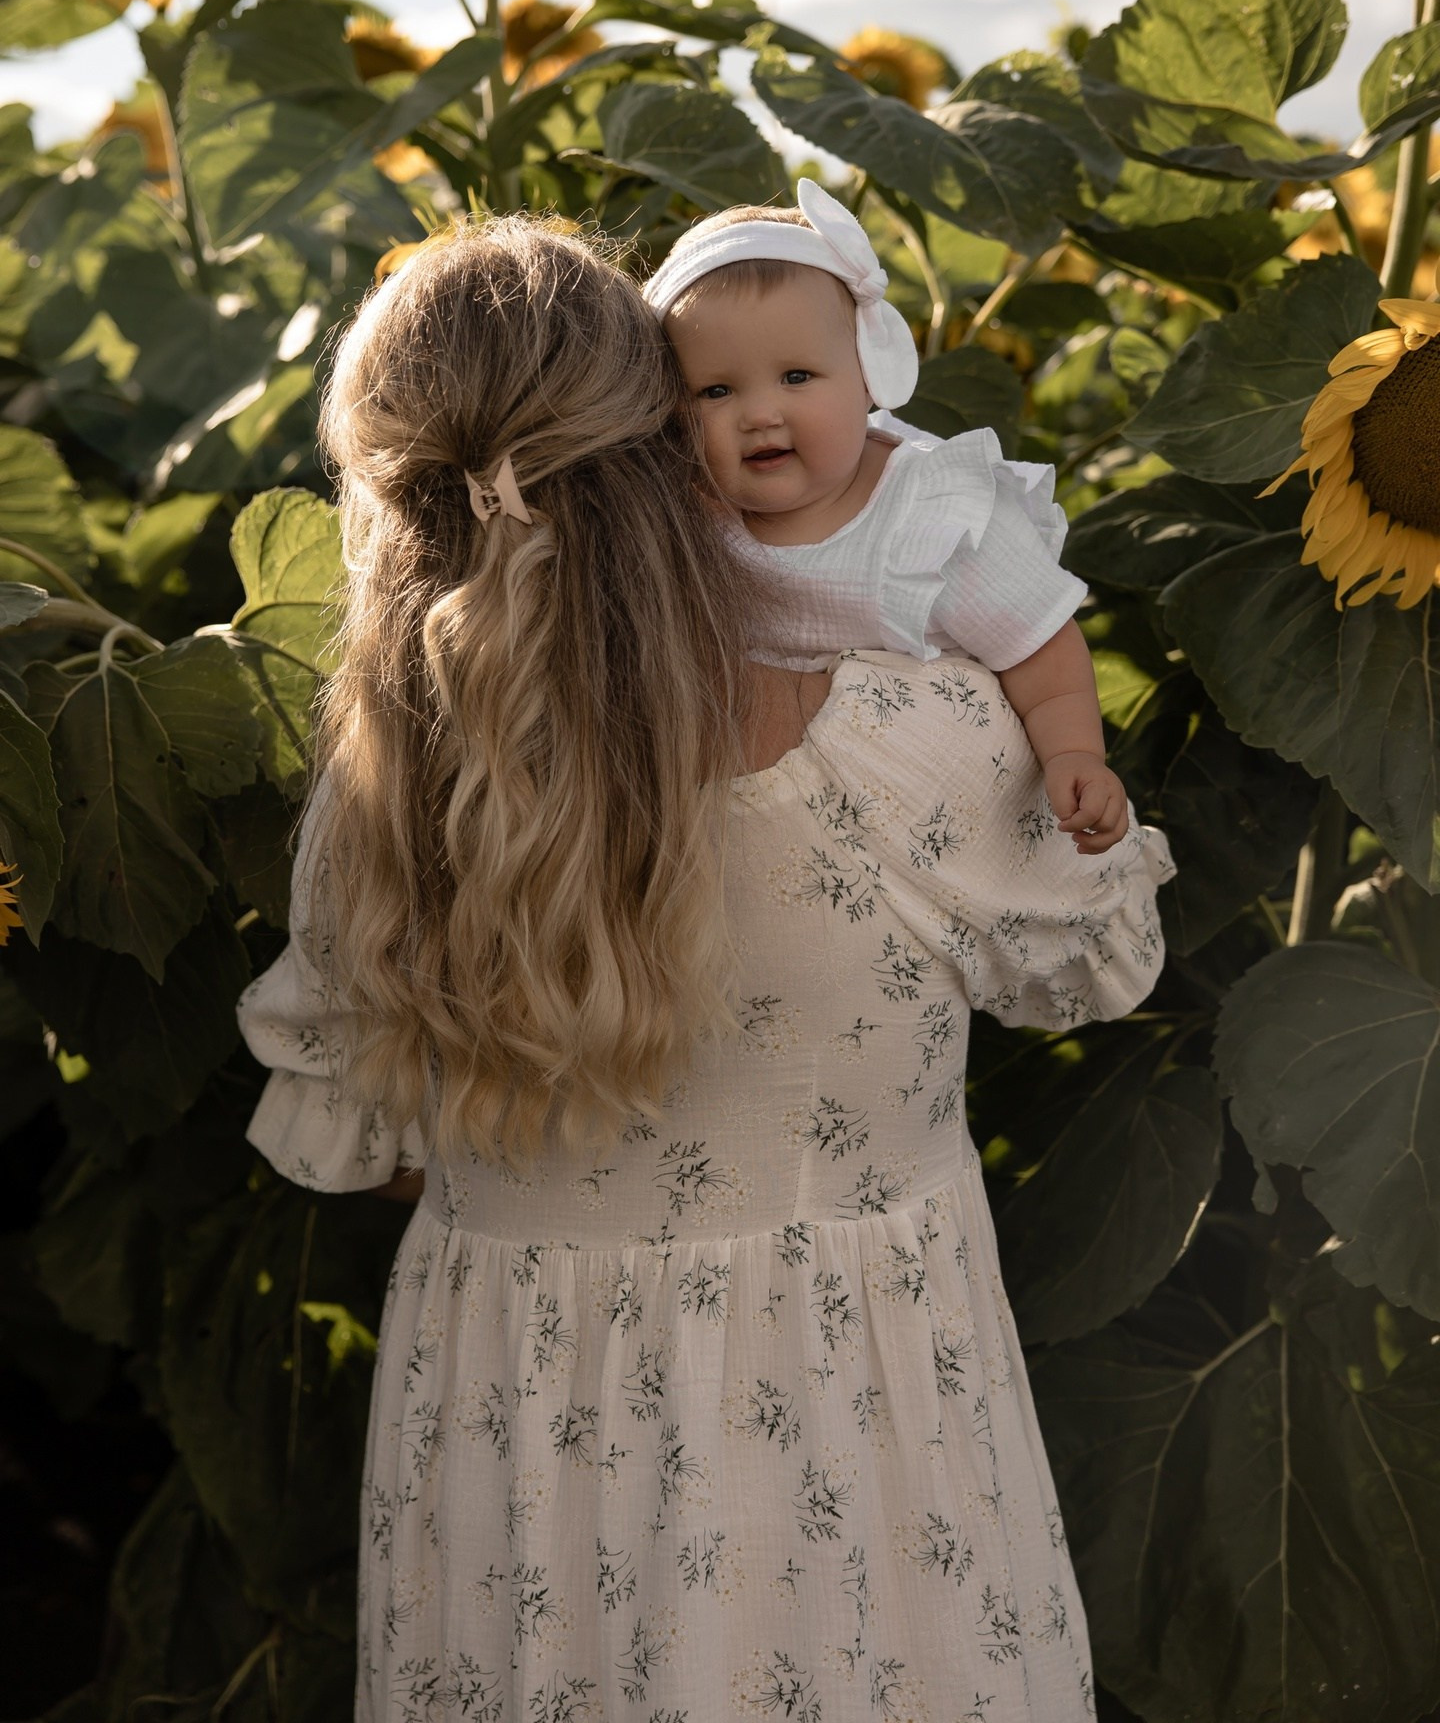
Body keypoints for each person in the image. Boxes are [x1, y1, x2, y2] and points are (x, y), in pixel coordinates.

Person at [238, 214, 1173, 1723]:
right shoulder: (902, 745)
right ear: (666, 441)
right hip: (857, 1431)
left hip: (514, 1445)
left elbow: (368, 1149)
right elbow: (1096, 970)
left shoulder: (381, 805)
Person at [643, 179, 1131, 855]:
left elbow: (1039, 645)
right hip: (780, 824)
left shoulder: (931, 519)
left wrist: (1075, 754)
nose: (759, 413)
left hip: (943, 823)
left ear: (868, 375)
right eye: (716, 391)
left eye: (796, 378)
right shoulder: (687, 517)